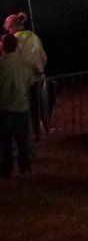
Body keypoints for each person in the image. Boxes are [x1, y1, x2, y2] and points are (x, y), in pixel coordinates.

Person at [5, 12, 47, 139]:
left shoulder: (15, 40)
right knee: (35, 106)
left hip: (21, 81)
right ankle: (37, 133)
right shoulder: (34, 36)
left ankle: (23, 135)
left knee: (21, 109)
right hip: (37, 78)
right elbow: (44, 57)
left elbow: (13, 61)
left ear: (11, 27)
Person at [0, 33, 33, 177]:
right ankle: (24, 169)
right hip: (21, 108)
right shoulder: (23, 63)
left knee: (5, 142)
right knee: (22, 141)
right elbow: (30, 81)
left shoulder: (1, 64)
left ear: (3, 46)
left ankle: (6, 170)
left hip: (5, 108)